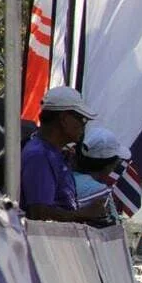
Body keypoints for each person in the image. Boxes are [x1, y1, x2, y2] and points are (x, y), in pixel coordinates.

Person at [20, 86, 106, 223]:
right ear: (64, 119)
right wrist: (84, 213)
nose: (84, 127)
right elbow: (39, 214)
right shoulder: (40, 155)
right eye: (82, 120)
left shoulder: (54, 154)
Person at [74, 126, 130, 228]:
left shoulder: (63, 178)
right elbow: (112, 232)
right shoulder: (99, 191)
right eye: (116, 163)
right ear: (109, 165)